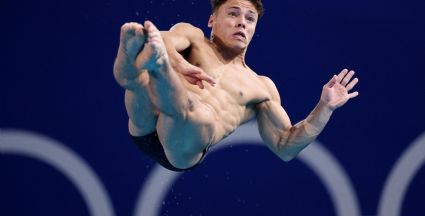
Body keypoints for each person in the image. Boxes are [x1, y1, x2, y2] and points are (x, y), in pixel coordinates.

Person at [113, 0, 359, 171]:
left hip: (183, 145)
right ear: (212, 19)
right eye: (233, 13)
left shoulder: (261, 87)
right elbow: (162, 40)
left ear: (254, 28)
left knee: (199, 114)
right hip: (147, 122)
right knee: (140, 81)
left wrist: (324, 108)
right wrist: (180, 63)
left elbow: (285, 147)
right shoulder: (192, 35)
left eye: (250, 18)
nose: (242, 22)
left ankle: (159, 68)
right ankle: (135, 62)